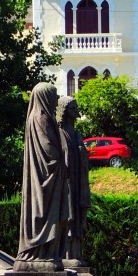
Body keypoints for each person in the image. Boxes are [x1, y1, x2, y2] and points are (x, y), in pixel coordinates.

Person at [16, 82, 69, 267]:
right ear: (45, 97)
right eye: (54, 95)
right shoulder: (41, 118)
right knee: (44, 212)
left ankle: (46, 253)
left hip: (43, 177)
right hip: (45, 178)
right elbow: (49, 151)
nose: (57, 99)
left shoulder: (38, 117)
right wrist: (62, 162)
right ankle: (41, 254)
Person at [57, 95, 91, 265]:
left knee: (77, 216)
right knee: (67, 216)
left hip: (78, 182)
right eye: (72, 108)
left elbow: (83, 155)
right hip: (66, 183)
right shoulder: (59, 132)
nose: (76, 111)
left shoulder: (76, 133)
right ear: (64, 111)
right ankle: (66, 256)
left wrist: (82, 152)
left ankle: (76, 254)